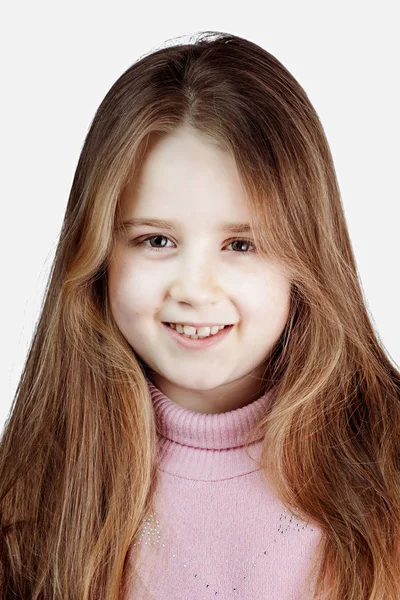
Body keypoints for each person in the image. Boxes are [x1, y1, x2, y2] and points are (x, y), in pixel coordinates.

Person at [1, 31, 399, 600]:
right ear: (97, 255)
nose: (194, 289)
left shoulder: (390, 472)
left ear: (307, 256)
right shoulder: (28, 497)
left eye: (241, 245)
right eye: (156, 240)